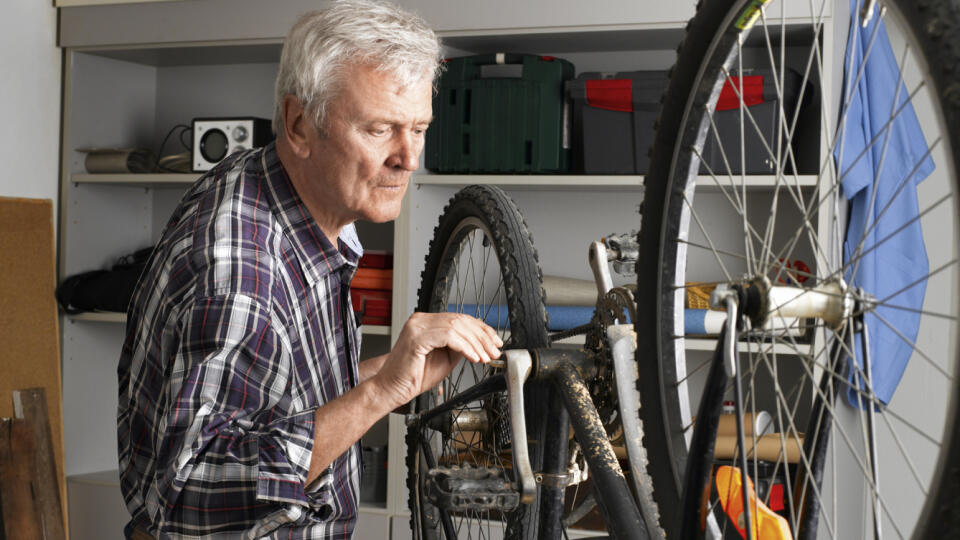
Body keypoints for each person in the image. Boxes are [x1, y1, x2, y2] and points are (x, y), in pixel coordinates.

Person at [116, 1, 503, 537]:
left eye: (418, 127)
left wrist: (392, 374)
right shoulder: (238, 273)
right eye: (380, 129)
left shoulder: (281, 189)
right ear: (300, 123)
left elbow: (277, 403)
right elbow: (187, 495)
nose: (408, 157)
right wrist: (378, 395)